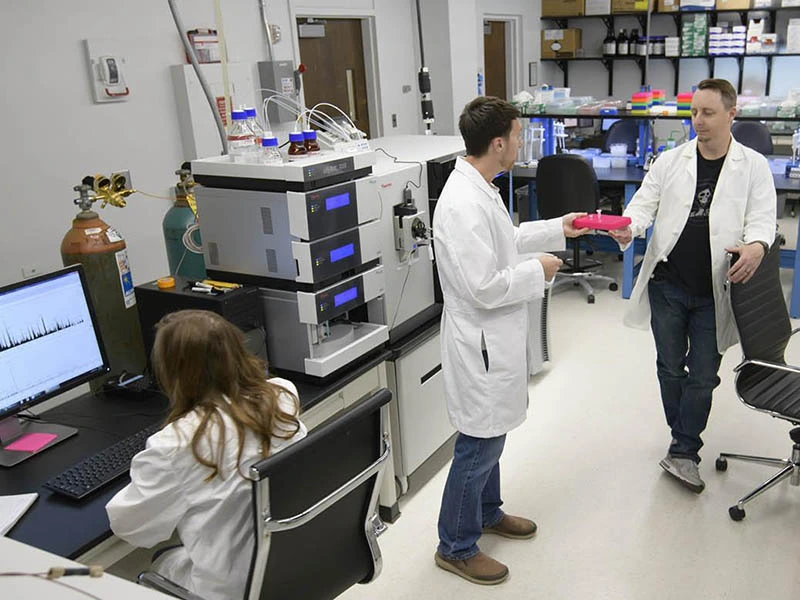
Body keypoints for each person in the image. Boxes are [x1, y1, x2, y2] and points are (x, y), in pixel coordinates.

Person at [432, 96, 589, 585]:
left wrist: (557, 228)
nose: (521, 144)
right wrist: (537, 272)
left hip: (492, 338)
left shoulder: (483, 187)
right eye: (518, 136)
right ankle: (455, 545)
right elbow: (483, 285)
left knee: (492, 434)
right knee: (479, 440)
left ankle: (487, 511)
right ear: (498, 143)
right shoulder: (460, 203)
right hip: (479, 339)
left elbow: (508, 239)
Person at [609, 78, 776, 494]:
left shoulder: (753, 165)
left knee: (703, 376)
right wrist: (627, 229)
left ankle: (683, 449)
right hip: (668, 281)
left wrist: (757, 245)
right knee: (669, 367)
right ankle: (683, 442)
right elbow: (642, 206)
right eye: (694, 113)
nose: (697, 121)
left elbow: (762, 220)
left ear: (731, 115)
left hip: (714, 288)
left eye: (707, 113)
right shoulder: (670, 161)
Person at [106, 310, 307, 600]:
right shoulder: (282, 397)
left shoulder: (174, 445)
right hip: (293, 566)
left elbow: (130, 527)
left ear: (172, 374)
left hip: (232, 591)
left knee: (135, 566)